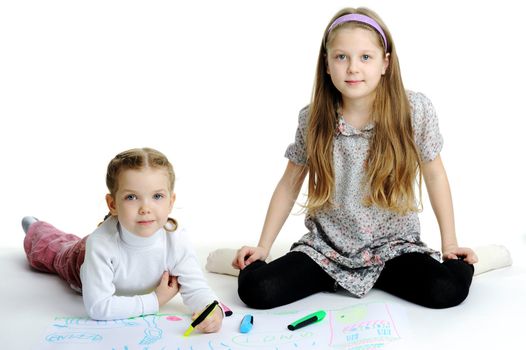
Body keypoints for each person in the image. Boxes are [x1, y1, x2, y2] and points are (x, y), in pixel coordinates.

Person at [232, 7, 480, 310]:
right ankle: (324, 274)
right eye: (341, 57)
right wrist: (263, 246)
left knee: (447, 291)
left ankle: (472, 260)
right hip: (327, 250)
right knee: (258, 290)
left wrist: (450, 244)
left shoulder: (414, 110)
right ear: (326, 64)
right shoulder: (313, 119)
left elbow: (435, 175)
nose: (352, 68)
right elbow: (289, 184)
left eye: (365, 57)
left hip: (392, 248)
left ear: (385, 63)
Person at [22, 147, 224, 332]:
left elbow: (196, 286)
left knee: (69, 240)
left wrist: (212, 309)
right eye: (131, 197)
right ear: (112, 204)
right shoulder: (101, 245)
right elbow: (98, 307)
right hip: (78, 258)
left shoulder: (176, 240)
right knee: (54, 249)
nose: (146, 208)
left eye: (157, 196)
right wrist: (155, 300)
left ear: (171, 202)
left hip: (112, 236)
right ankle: (36, 228)